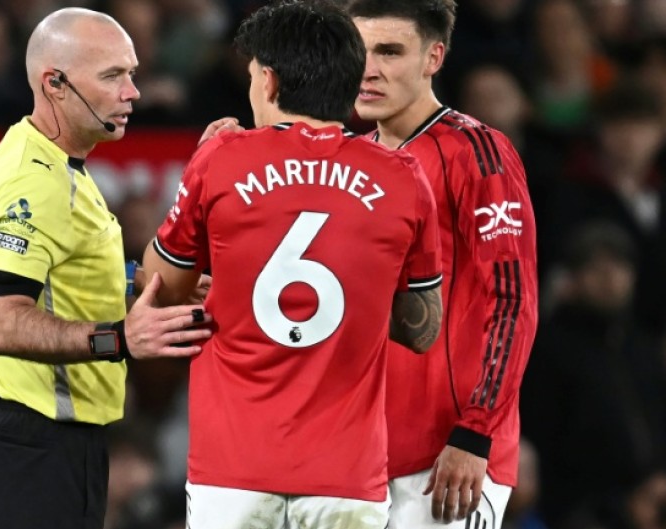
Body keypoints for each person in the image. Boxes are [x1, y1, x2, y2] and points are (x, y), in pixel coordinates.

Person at [141, 1, 444, 527]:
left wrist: (199, 170)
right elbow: (423, 330)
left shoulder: (222, 159)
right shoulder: (403, 177)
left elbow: (160, 289)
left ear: (270, 82)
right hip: (347, 476)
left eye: (253, 77)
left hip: (232, 470)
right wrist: (363, 296)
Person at [0, 8, 214, 529]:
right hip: (35, 449)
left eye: (132, 73)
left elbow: (58, 264)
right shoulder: (39, 184)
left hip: (7, 436)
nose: (132, 92)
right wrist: (121, 338)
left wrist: (135, 280)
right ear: (55, 83)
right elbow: (0, 321)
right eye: (112, 76)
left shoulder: (32, 151)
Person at [346, 0, 539, 526]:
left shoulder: (476, 152)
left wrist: (476, 432)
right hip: (354, 459)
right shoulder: (348, 162)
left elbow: (513, 301)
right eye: (358, 51)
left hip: (446, 457)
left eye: (389, 51)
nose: (368, 70)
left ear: (434, 57)